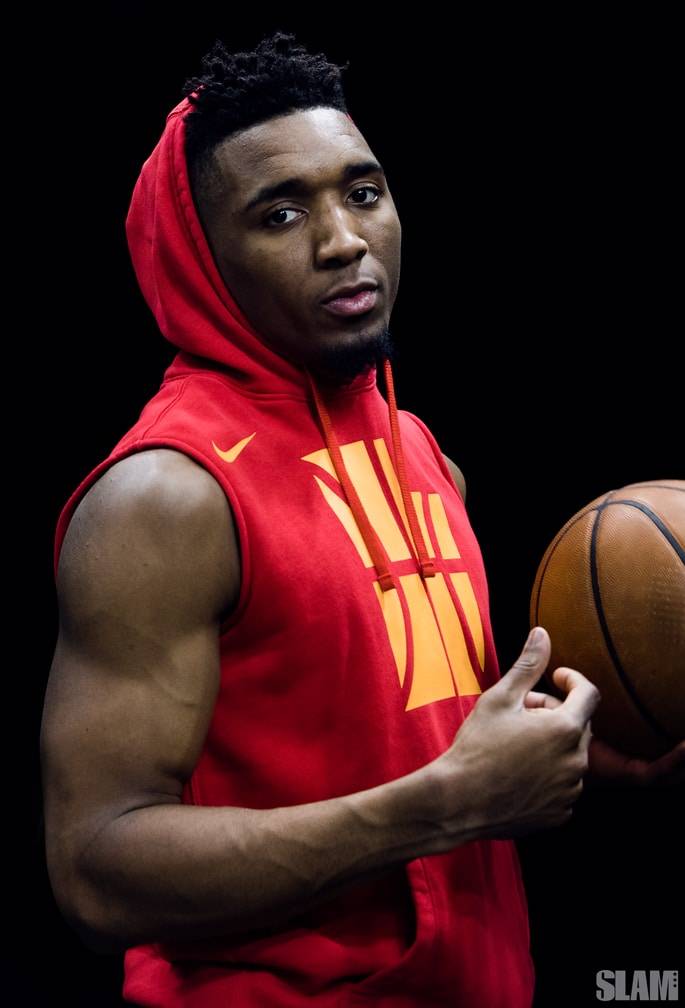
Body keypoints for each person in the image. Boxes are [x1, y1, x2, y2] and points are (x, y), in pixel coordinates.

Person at [41, 31, 684, 1008]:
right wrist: (444, 805)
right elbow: (96, 872)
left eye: (363, 192)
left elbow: (399, 745)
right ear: (203, 261)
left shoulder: (419, 454)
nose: (343, 239)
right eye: (280, 213)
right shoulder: (167, 497)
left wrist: (547, 748)